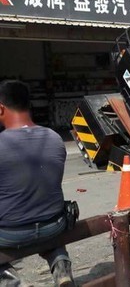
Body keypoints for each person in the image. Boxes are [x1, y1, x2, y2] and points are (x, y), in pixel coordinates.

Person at [0, 80, 75, 287]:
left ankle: (10, 280)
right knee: (45, 210)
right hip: (54, 226)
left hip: (11, 233)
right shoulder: (55, 138)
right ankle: (61, 265)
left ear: (1, 108)